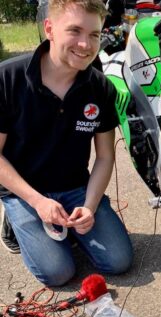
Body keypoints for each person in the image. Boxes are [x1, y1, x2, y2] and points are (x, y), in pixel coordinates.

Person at [0, 0, 133, 286]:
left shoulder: (100, 88)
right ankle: (15, 222)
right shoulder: (7, 78)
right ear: (49, 29)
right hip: (26, 190)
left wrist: (90, 205)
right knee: (58, 272)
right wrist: (37, 201)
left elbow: (105, 157)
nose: (85, 44)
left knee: (119, 261)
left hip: (75, 188)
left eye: (94, 34)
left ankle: (66, 225)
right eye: (74, 31)